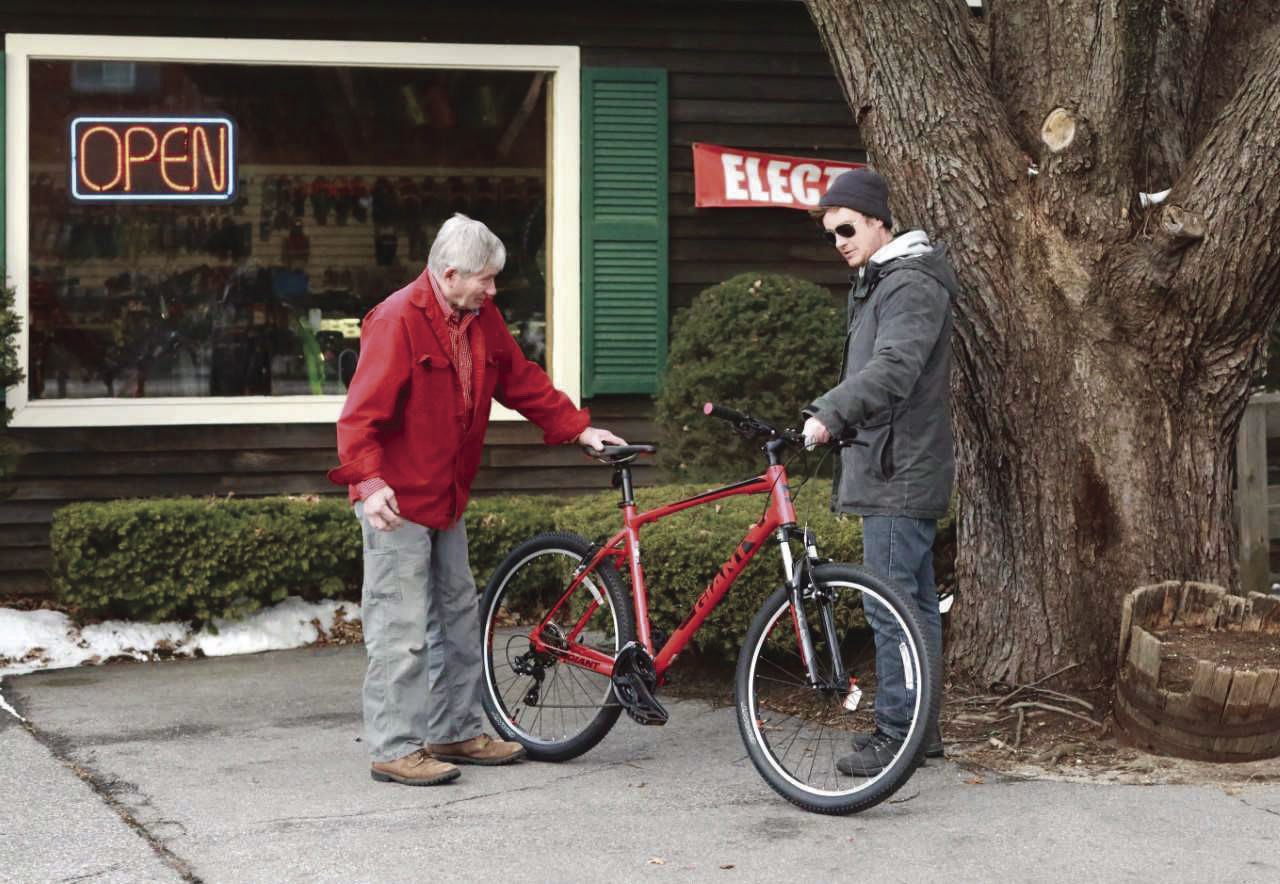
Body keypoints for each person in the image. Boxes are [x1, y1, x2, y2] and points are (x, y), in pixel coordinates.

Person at [328, 213, 625, 786]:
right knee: (402, 629)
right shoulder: (395, 320)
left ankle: (454, 730)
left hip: (447, 497)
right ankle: (395, 746)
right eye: (486, 280)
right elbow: (359, 416)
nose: (494, 290)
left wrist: (578, 429)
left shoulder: (480, 318)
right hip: (397, 502)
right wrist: (367, 483)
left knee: (459, 620)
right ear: (450, 273)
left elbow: (521, 380)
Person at [800, 168, 957, 776]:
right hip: (896, 465)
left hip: (899, 471)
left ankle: (897, 736)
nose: (838, 240)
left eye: (846, 227)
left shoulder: (909, 283)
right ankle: (919, 733)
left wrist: (829, 412)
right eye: (829, 233)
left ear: (877, 222)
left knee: (891, 608)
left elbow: (895, 367)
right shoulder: (882, 281)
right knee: (912, 608)